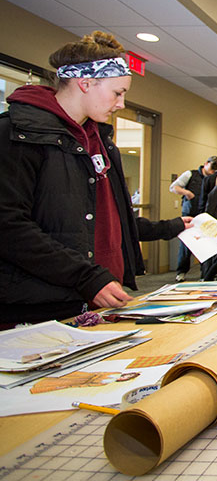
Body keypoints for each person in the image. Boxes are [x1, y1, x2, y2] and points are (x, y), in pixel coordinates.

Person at [0, 31, 191, 325]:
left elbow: (110, 217)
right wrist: (87, 277)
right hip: (38, 307)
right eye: (118, 93)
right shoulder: (18, 134)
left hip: (93, 301)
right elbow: (9, 227)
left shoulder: (100, 142)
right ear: (85, 83)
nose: (121, 104)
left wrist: (172, 226)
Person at [169, 155, 217, 281]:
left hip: (205, 215)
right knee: (187, 245)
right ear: (206, 163)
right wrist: (187, 193)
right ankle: (181, 272)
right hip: (190, 214)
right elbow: (174, 187)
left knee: (207, 244)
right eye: (211, 169)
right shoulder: (190, 174)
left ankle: (205, 273)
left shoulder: (214, 179)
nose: (212, 172)